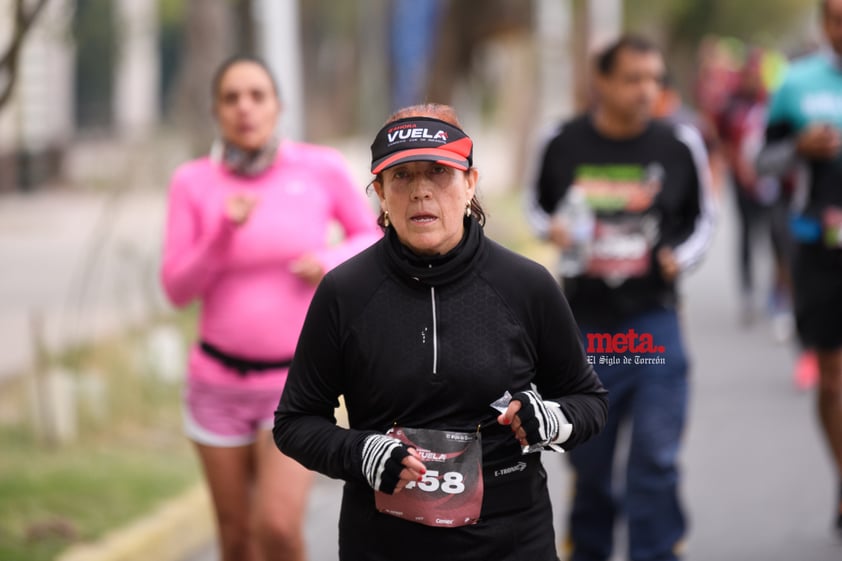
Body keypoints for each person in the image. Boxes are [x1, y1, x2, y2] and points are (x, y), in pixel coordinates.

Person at [273, 103, 608, 561]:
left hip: (510, 540)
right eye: (402, 177)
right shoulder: (345, 292)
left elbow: (588, 401)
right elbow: (294, 422)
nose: (421, 192)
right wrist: (361, 452)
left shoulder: (525, 285)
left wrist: (549, 420)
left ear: (470, 183)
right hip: (384, 542)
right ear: (379, 193)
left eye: (438, 172)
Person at [160, 55, 381, 561]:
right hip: (215, 386)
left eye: (257, 95)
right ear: (215, 110)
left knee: (277, 529)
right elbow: (176, 289)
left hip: (294, 388)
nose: (245, 108)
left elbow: (370, 235)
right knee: (237, 540)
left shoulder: (319, 167)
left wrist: (327, 258)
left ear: (277, 106)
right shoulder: (193, 182)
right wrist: (221, 232)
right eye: (231, 97)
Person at [527, 36, 716, 561]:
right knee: (588, 461)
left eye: (654, 79)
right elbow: (534, 206)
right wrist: (555, 230)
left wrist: (682, 255)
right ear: (602, 81)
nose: (645, 90)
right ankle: (588, 547)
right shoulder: (561, 141)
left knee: (655, 459)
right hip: (585, 330)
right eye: (633, 78)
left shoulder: (679, 143)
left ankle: (656, 551)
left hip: (652, 323)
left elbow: (704, 219)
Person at [755, 0, 842, 534]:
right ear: (823, 22)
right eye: (835, 16)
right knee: (833, 381)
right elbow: (762, 160)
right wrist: (799, 148)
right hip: (819, 247)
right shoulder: (797, 82)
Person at [717, 50, 795, 334]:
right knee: (747, 236)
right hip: (743, 185)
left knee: (778, 240)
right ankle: (747, 292)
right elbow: (722, 141)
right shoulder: (732, 106)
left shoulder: (774, 103)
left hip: (773, 186)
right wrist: (738, 168)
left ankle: (779, 296)